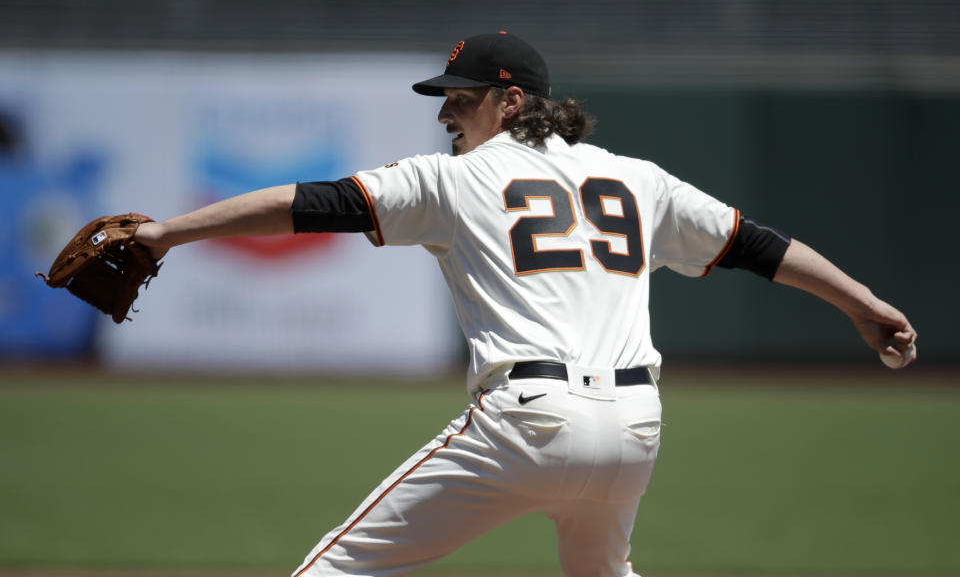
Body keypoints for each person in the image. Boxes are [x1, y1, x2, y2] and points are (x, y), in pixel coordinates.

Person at [132, 32, 918, 577]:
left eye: (460, 99)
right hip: (635, 430)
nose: (445, 113)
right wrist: (862, 301)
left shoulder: (454, 179)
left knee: (334, 566)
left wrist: (168, 232)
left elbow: (311, 203)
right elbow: (757, 245)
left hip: (528, 422)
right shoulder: (636, 176)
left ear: (510, 103)